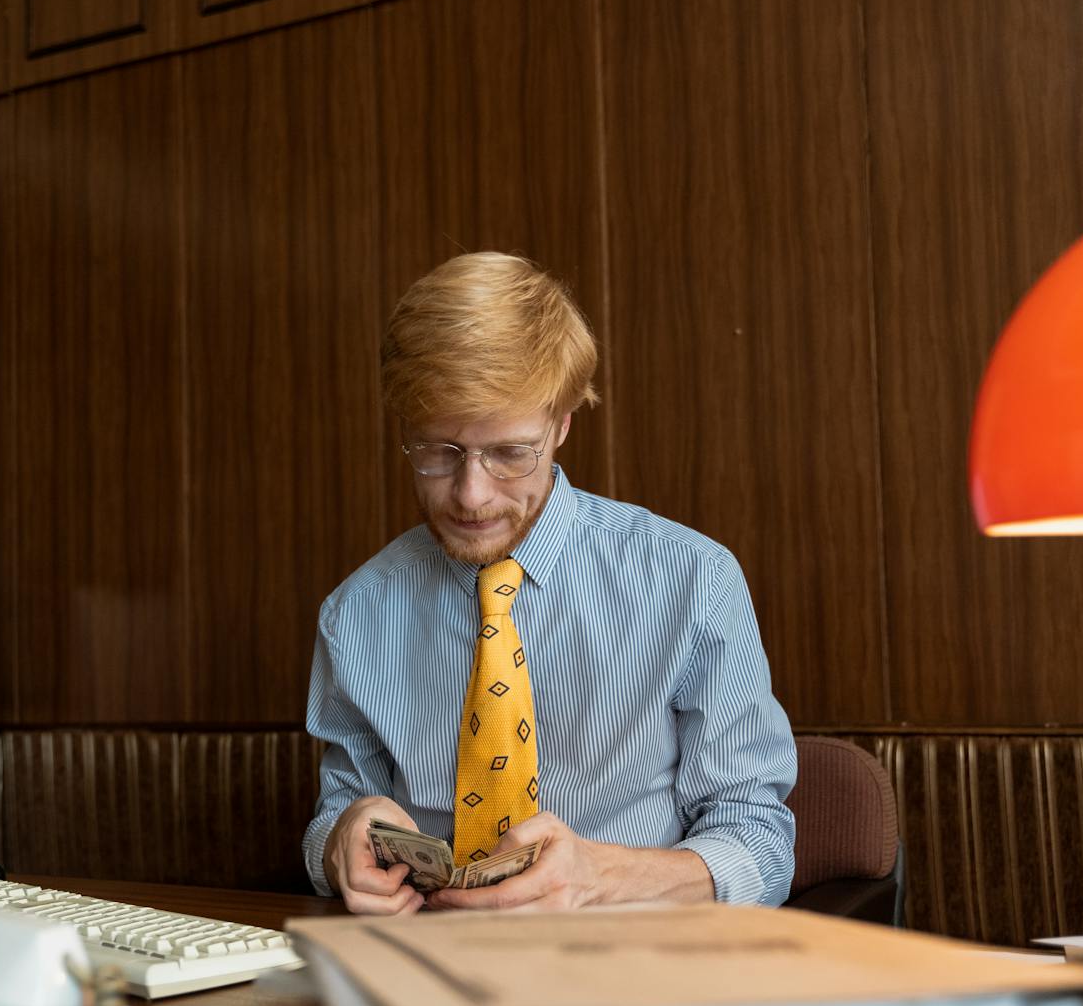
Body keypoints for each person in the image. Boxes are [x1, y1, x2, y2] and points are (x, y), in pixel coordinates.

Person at [302, 252, 796, 916]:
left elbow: (761, 844)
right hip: (430, 976)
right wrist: (339, 843)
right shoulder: (355, 616)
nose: (472, 495)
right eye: (438, 451)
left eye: (509, 452)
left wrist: (602, 876)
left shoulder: (691, 580)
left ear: (562, 423)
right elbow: (339, 810)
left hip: (634, 979)